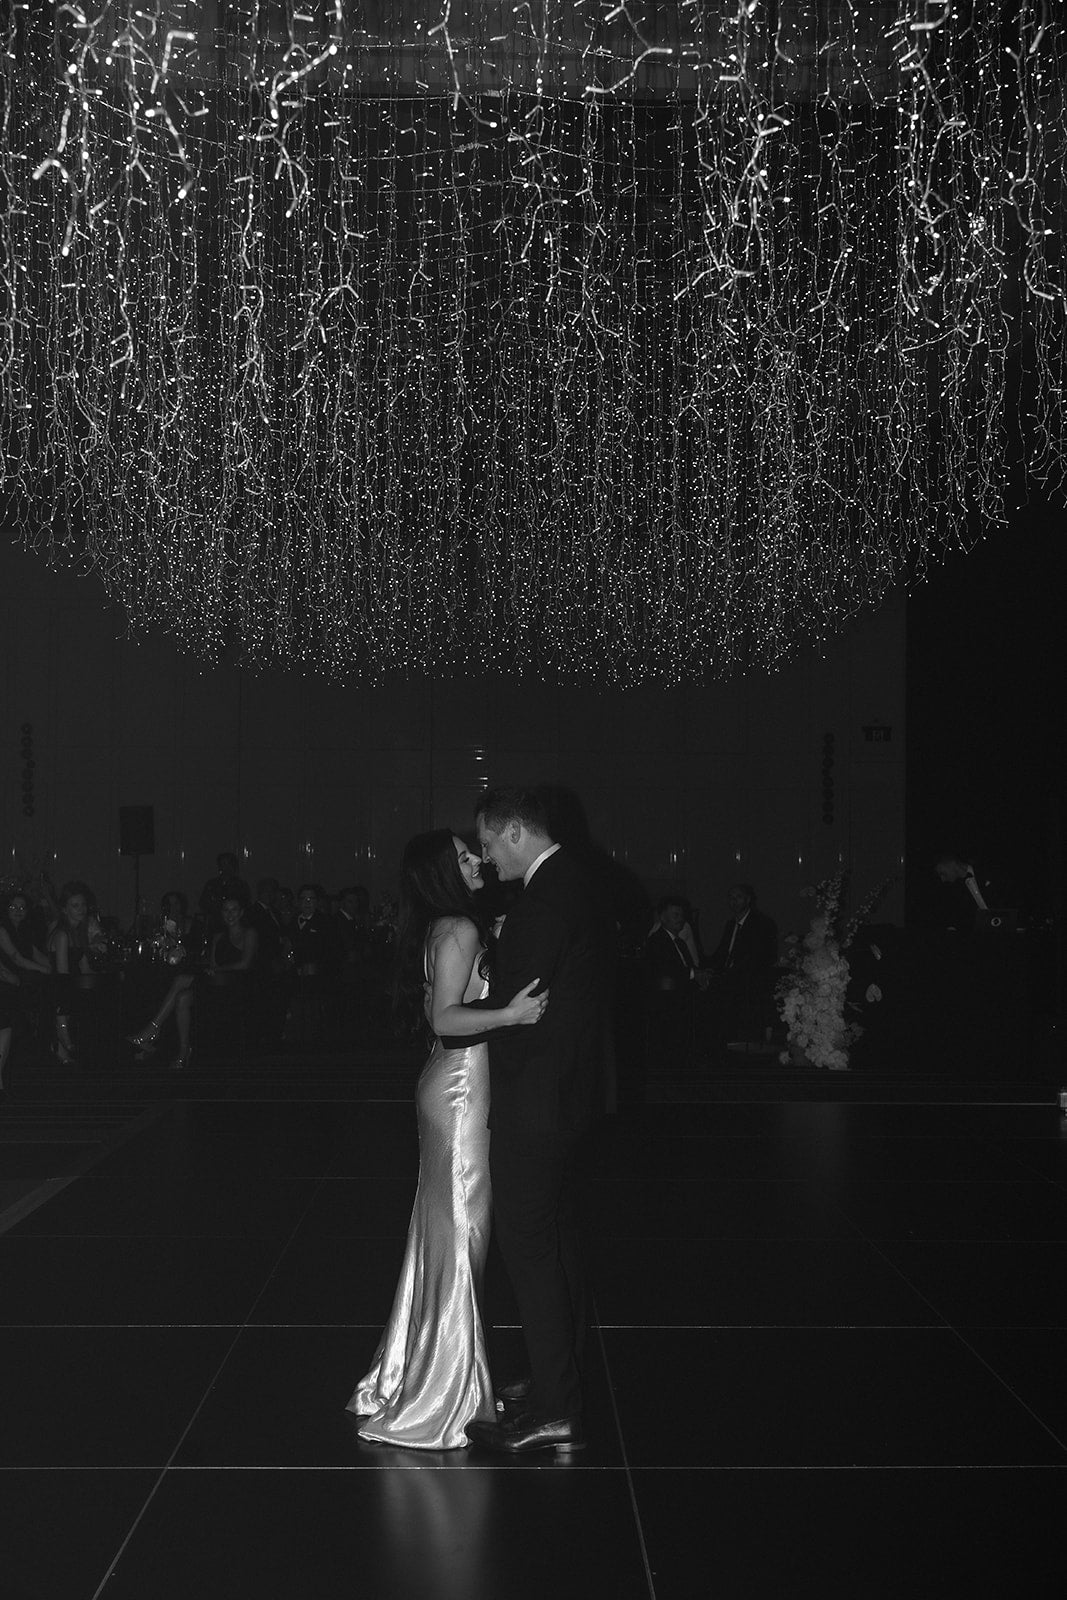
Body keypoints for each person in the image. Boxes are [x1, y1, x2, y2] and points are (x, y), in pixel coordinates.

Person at [346, 829, 546, 1450]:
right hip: (461, 1089)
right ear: (441, 875)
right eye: (463, 857)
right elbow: (445, 1017)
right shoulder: (457, 928)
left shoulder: (454, 925)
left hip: (455, 1084)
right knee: (461, 1237)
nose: (477, 861)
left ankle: (425, 1372)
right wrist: (511, 1014)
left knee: (445, 1234)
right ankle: (444, 1393)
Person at [466, 787, 608, 1456]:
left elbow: (518, 1008)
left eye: (490, 844)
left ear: (515, 831)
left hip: (537, 1099)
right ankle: (560, 1380)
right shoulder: (577, 883)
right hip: (570, 1094)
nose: (488, 858)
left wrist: (485, 988)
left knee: (529, 1248)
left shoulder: (540, 903)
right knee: (554, 1240)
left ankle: (556, 1405)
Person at [47, 881, 107, 1064]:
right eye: (75, 905)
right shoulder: (62, 934)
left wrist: (103, 979)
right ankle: (62, 1035)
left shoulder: (78, 931)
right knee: (75, 995)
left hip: (71, 982)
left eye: (83, 905)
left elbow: (84, 966)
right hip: (59, 986)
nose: (81, 909)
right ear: (64, 909)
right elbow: (62, 973)